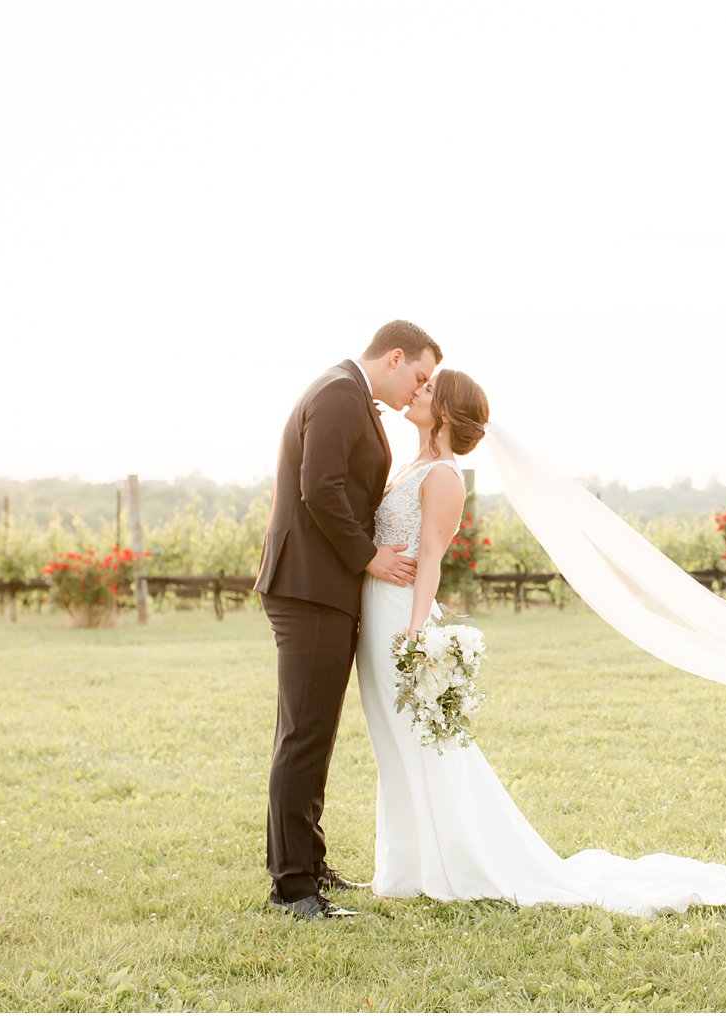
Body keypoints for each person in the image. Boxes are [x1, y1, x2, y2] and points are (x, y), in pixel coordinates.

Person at [354, 370, 726, 916]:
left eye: (427, 390)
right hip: (375, 611)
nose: (415, 392)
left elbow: (432, 560)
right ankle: (407, 863)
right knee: (393, 741)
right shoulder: (411, 465)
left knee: (421, 739)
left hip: (399, 617)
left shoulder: (443, 476)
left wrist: (416, 636)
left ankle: (452, 860)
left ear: (443, 412)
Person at [253, 320, 441, 920]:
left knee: (315, 733)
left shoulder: (348, 395)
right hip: (308, 588)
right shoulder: (338, 394)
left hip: (323, 589)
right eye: (419, 374)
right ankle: (292, 889)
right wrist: (369, 556)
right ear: (393, 357)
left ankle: (308, 864)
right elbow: (320, 488)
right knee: (303, 736)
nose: (420, 388)